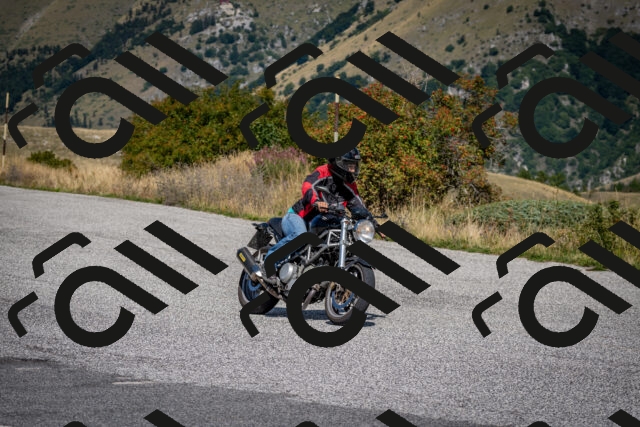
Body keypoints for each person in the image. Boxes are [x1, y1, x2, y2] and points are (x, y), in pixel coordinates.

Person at [257, 147, 376, 281]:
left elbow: (358, 206)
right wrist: (316, 201)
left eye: (354, 166)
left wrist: (372, 222)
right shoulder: (323, 172)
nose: (353, 170)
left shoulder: (350, 185)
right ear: (338, 163)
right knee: (301, 235)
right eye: (350, 165)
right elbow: (308, 186)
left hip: (326, 220)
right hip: (299, 217)